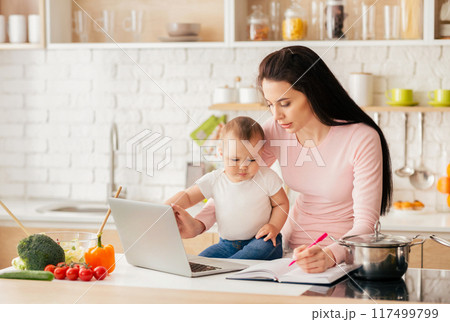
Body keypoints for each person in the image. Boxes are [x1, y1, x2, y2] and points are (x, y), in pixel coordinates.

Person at [173, 45, 392, 273]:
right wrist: (200, 224)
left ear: (313, 92)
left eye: (285, 103)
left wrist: (330, 255)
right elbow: (236, 181)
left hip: (342, 258)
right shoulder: (276, 130)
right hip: (289, 251)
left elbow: (366, 225)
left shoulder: (362, 138)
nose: (276, 115)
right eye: (270, 104)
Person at [166, 116, 289, 260]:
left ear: (261, 154)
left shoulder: (266, 176)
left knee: (260, 248)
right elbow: (188, 196)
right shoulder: (215, 179)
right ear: (221, 153)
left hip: (262, 239)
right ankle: (231, 265)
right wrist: (166, 208)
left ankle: (231, 266)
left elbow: (281, 203)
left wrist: (274, 226)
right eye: (235, 159)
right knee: (199, 263)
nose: (243, 165)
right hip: (226, 245)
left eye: (252, 159)